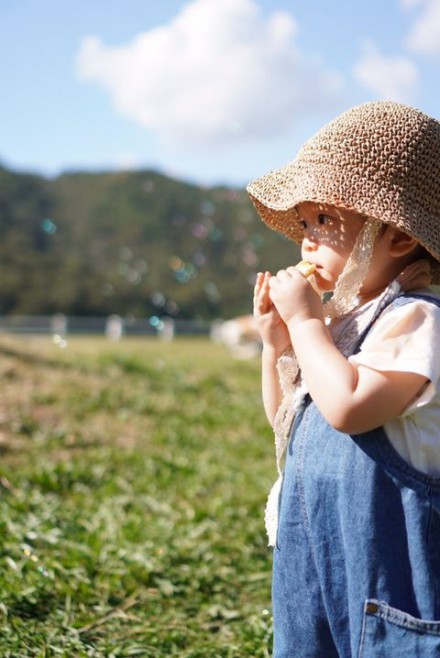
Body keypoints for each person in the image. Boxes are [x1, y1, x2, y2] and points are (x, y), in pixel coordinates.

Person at [247, 101, 440, 657]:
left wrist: (306, 321)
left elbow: (350, 407)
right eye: (304, 223)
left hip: (388, 579)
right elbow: (292, 418)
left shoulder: (416, 319)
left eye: (325, 221)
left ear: (399, 238)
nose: (306, 240)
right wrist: (278, 343)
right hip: (311, 568)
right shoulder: (340, 327)